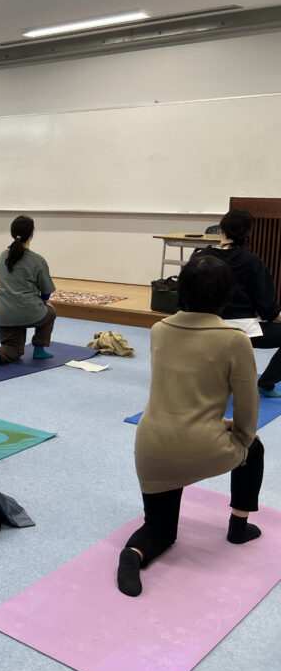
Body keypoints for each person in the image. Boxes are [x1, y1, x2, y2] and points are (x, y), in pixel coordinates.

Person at [117, 255, 263, 597]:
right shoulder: (235, 339)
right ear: (227, 295)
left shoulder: (159, 330)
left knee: (159, 530)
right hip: (202, 448)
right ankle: (238, 526)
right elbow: (248, 405)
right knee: (254, 449)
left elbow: (181, 392)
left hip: (151, 447)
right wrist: (240, 438)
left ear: (180, 290)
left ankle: (132, 554)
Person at [194, 208, 281, 397]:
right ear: (248, 234)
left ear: (220, 230)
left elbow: (183, 299)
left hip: (200, 327)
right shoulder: (252, 261)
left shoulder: (199, 258)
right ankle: (266, 383)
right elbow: (267, 309)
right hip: (241, 332)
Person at [0, 215, 57, 370]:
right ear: (32, 234)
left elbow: (1, 276)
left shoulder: (3, 255)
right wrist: (44, 302)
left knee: (13, 350)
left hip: (4, 314)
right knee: (50, 313)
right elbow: (46, 290)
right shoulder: (37, 260)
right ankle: (39, 349)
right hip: (29, 312)